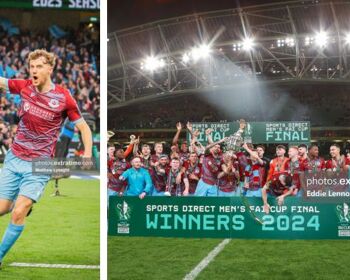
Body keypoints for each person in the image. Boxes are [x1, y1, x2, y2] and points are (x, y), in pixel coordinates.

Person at [0, 49, 92, 266]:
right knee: (3, 209)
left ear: (50, 69)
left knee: (19, 210)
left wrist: (87, 155)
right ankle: (21, 202)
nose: (34, 70)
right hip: (14, 158)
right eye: (32, 66)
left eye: (39, 66)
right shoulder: (24, 87)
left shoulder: (63, 97)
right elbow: (2, 82)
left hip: (40, 164)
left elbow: (84, 128)